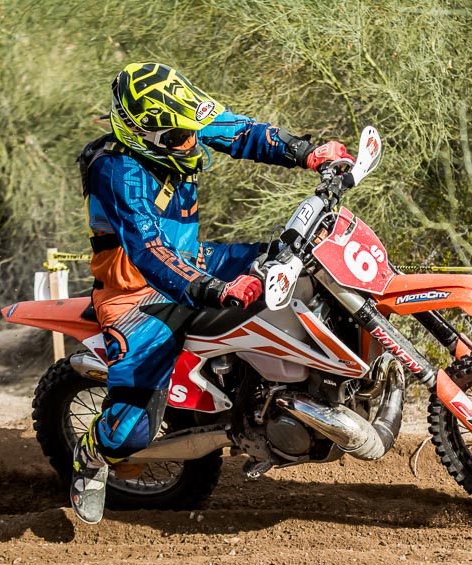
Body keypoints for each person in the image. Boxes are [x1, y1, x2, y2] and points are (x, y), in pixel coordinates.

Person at [71, 62, 352, 524]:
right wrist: (216, 290)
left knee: (305, 258)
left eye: (191, 131)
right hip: (138, 294)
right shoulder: (117, 170)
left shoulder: (176, 119)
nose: (191, 142)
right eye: (178, 137)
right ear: (141, 133)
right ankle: (93, 454)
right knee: (129, 435)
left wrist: (307, 152)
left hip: (193, 259)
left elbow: (240, 131)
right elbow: (149, 251)